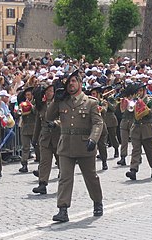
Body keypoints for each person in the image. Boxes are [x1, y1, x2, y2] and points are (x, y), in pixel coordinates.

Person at [46, 70, 104, 222]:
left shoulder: (90, 102)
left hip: (85, 145)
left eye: (73, 81)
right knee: (65, 178)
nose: (70, 84)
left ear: (79, 83)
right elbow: (48, 117)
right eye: (68, 82)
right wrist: (55, 101)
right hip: (66, 145)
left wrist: (93, 138)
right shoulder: (63, 102)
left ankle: (97, 202)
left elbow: (98, 123)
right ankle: (63, 209)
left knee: (91, 177)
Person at [32, 83, 61, 194]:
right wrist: (34, 139)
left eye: (52, 91)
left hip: (58, 137)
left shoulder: (59, 104)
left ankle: (64, 181)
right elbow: (38, 124)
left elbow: (64, 119)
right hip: (45, 138)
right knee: (44, 162)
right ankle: (42, 184)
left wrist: (56, 124)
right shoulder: (41, 106)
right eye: (48, 91)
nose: (50, 93)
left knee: (61, 161)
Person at [125, 83, 152, 180]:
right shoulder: (134, 101)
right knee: (135, 151)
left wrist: (143, 105)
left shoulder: (150, 101)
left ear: (144, 91)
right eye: (137, 91)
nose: (139, 93)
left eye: (140, 91)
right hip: (136, 128)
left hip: (147, 128)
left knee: (149, 151)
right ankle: (133, 170)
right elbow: (128, 113)